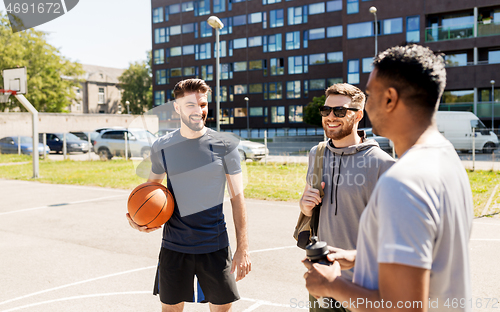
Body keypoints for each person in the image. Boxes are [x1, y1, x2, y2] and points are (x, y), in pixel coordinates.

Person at [303, 44, 473, 312]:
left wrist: (332, 285)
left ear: (390, 99)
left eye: (371, 95)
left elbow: (403, 308)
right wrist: (359, 257)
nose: (367, 105)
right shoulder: (447, 158)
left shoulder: (403, 180)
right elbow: (426, 254)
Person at [126, 78, 251, 312]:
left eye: (202, 104)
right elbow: (150, 190)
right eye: (190, 105)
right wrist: (136, 219)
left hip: (214, 245)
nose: (199, 111)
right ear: (177, 107)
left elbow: (237, 200)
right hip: (174, 246)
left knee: (222, 310)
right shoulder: (162, 146)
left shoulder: (226, 146)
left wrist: (242, 248)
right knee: (171, 310)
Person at [299, 83, 395, 311]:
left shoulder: (382, 164)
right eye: (326, 111)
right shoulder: (317, 153)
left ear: (358, 115)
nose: (330, 117)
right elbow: (308, 206)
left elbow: (395, 235)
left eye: (340, 111)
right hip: (322, 274)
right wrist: (305, 207)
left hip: (364, 285)